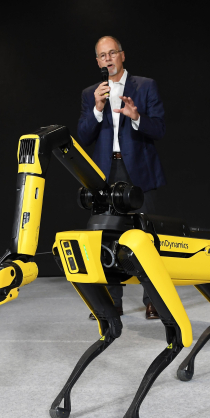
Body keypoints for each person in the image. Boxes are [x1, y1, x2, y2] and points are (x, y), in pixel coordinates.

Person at [77, 35, 166, 320]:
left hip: (138, 171)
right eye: (102, 56)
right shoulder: (91, 93)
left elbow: (160, 129)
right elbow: (83, 136)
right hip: (107, 172)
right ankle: (112, 303)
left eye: (112, 53)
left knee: (147, 236)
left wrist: (137, 116)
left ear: (122, 55)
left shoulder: (145, 86)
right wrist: (97, 109)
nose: (108, 59)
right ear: (97, 61)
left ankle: (153, 301)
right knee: (106, 237)